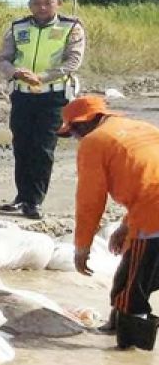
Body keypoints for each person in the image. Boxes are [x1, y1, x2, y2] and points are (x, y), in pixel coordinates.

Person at [61, 96, 159, 350]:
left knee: (132, 295)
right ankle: (116, 331)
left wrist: (82, 248)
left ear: (82, 124)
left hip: (153, 217)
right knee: (126, 281)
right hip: (148, 209)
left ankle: (131, 358)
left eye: (72, 132)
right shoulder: (145, 128)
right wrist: (127, 225)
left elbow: (89, 201)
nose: (75, 138)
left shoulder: (94, 143)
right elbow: (148, 179)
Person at [0, 0, 86, 220]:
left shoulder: (71, 27)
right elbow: (4, 58)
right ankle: (21, 196)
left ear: (58, 3)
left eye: (48, 3)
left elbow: (72, 62)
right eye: (37, 3)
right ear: (29, 5)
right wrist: (15, 72)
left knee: (43, 149)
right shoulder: (18, 27)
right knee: (22, 146)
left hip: (53, 96)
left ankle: (34, 201)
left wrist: (42, 77)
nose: (42, 8)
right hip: (23, 95)